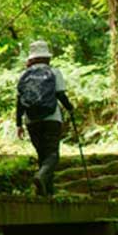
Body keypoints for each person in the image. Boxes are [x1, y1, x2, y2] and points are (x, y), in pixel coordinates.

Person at [16, 40, 74, 196]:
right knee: (53, 154)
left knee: (42, 155)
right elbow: (60, 95)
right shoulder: (54, 72)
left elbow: (19, 101)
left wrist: (18, 124)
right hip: (52, 118)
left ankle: (46, 193)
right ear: (47, 57)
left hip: (31, 120)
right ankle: (41, 177)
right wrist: (70, 108)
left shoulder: (24, 75)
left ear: (32, 58)